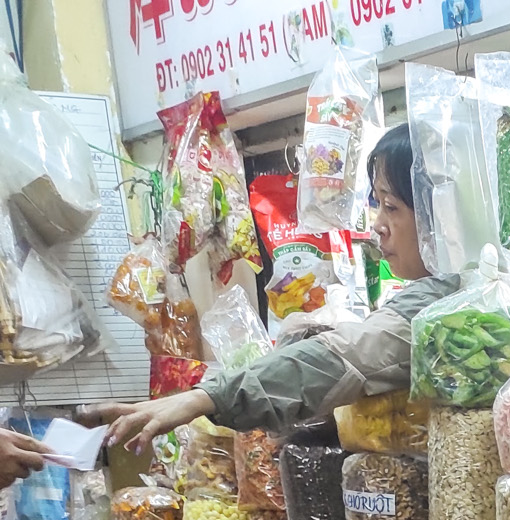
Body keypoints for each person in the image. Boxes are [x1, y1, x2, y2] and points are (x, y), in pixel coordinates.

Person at [80, 126, 455, 451]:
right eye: (378, 205)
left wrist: (206, 398)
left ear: (435, 210)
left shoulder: (448, 302)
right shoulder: (437, 294)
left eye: (390, 206)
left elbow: (348, 355)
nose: (377, 225)